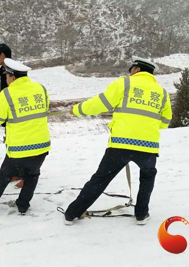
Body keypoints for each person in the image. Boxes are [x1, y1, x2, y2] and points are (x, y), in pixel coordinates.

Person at [63, 56, 172, 226]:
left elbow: (100, 103)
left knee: (100, 180)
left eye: (131, 70)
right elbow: (165, 121)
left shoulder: (125, 83)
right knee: (147, 178)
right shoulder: (162, 93)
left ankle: (72, 214)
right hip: (148, 146)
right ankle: (142, 215)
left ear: (136, 69)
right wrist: (146, 129)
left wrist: (77, 110)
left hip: (121, 143)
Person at [0, 58, 50, 215]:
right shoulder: (41, 89)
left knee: (3, 177)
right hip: (41, 145)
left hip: (19, 147)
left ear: (13, 77)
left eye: (6, 77)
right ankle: (23, 205)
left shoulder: (7, 95)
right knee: (32, 175)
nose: (6, 80)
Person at [0, 43, 23, 188]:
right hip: (8, 110)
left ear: (2, 55)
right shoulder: (3, 69)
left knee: (20, 144)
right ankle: (17, 172)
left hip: (16, 112)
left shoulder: (14, 69)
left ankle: (27, 175)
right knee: (10, 143)